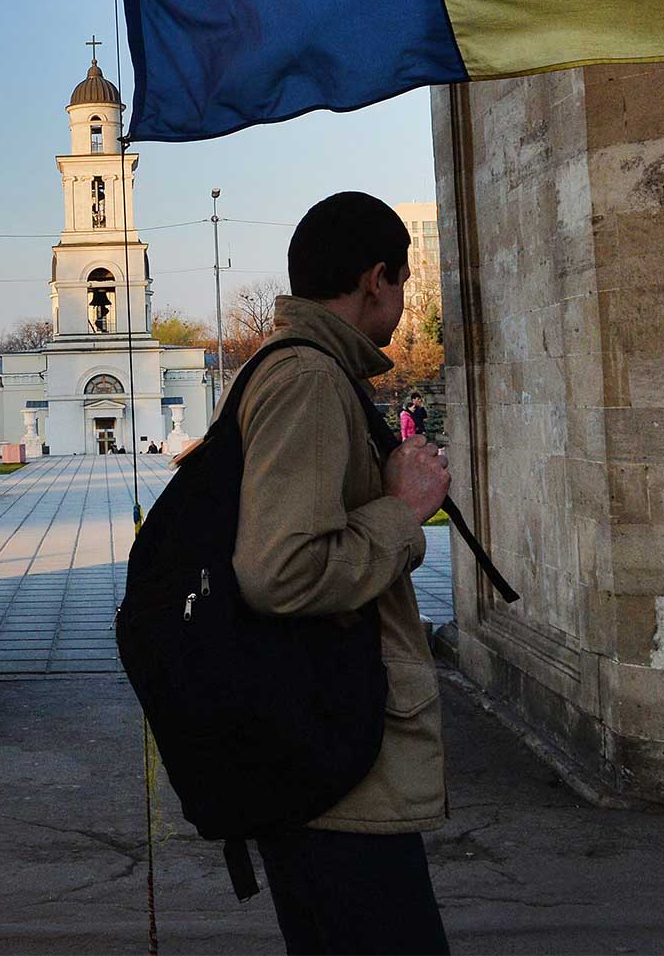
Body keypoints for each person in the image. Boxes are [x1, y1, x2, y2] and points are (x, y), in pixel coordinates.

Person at [231, 192, 453, 954]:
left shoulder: (307, 370)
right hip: (339, 768)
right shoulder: (309, 379)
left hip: (324, 751)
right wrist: (406, 508)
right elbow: (281, 570)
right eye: (403, 279)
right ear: (374, 279)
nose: (402, 298)